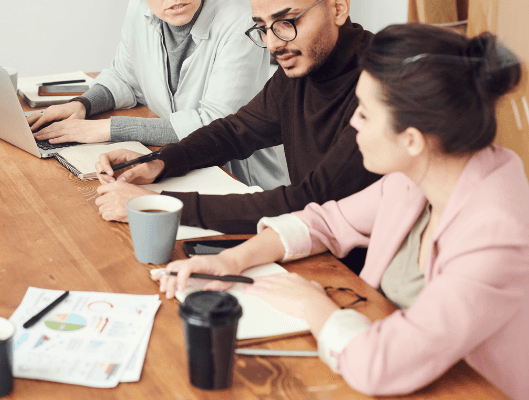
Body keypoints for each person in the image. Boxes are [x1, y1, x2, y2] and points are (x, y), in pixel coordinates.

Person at [155, 25, 529, 399]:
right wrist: (233, 260)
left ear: (412, 140)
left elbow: (379, 366)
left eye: (364, 114)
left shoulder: (496, 237)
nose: (353, 123)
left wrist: (310, 303)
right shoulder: (426, 170)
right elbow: (327, 222)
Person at [95, 0, 381, 239]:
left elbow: (308, 200)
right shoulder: (301, 67)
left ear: (338, 8)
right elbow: (235, 131)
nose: (273, 44)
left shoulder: (381, 87)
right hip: (311, 242)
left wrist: (159, 204)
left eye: (287, 21)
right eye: (263, 27)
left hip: (359, 270)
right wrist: (160, 163)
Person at [28, 0, 285, 190]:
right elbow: (124, 78)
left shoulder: (239, 23)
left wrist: (102, 129)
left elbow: (215, 124)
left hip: (238, 184)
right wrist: (82, 105)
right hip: (175, 167)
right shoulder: (140, 11)